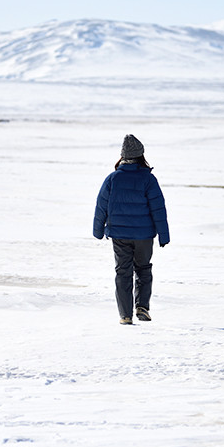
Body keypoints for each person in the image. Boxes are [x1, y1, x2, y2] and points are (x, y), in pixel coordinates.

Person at [93, 134, 170, 325]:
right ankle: (142, 306)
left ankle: (125, 316)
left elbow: (101, 205)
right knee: (143, 268)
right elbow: (158, 208)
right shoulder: (148, 179)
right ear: (141, 156)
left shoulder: (112, 179)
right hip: (144, 235)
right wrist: (163, 235)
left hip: (119, 235)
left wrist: (98, 230)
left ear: (122, 156)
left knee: (123, 272)